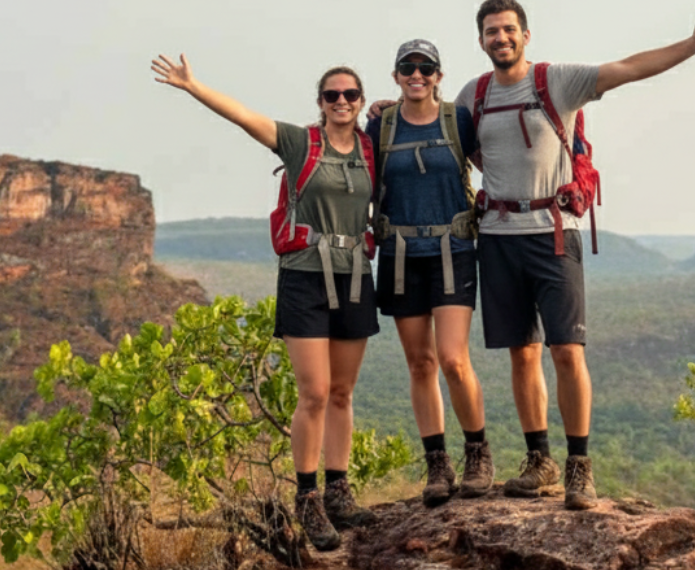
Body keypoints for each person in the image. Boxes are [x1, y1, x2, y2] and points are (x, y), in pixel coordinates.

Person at [453, 0, 695, 511]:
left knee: (566, 351)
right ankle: (538, 459)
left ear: (526, 34)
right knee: (521, 352)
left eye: (508, 30)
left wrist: (693, 46)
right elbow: (438, 133)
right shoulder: (471, 95)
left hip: (553, 234)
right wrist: (384, 110)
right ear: (480, 40)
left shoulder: (556, 81)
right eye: (491, 32)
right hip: (497, 235)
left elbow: (628, 68)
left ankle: (578, 466)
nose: (501, 38)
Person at [151, 53, 380, 552]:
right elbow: (243, 117)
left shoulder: (371, 148)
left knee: (343, 392)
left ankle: (340, 492)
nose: (341, 102)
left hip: (355, 275)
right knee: (314, 392)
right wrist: (194, 85)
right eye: (331, 95)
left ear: (361, 102)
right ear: (320, 103)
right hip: (304, 276)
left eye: (350, 95)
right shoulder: (301, 143)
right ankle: (308, 497)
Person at [364, 39, 493, 507]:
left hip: (452, 247)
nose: (416, 74)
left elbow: (493, 161)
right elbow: (358, 171)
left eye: (426, 67)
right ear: (396, 74)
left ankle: (478, 451)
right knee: (420, 363)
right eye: (407, 67)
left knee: (454, 359)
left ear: (439, 75)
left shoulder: (458, 119)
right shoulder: (381, 125)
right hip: (400, 252)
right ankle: (437, 463)